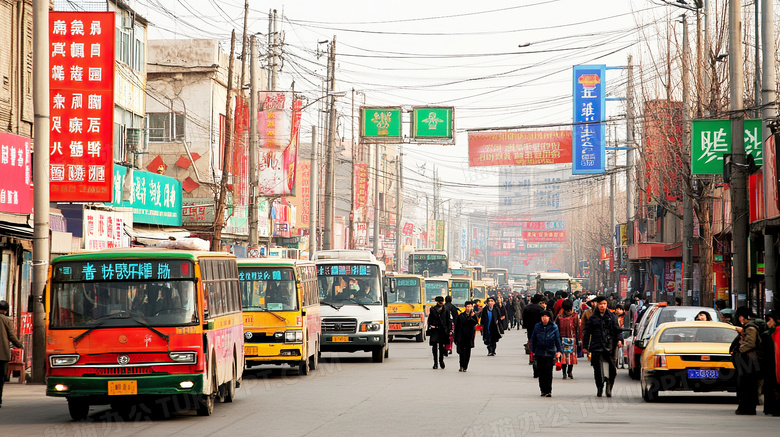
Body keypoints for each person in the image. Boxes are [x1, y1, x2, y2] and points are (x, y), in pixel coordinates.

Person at [582, 296, 624, 397]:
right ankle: (599, 386)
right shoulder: (593, 318)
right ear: (597, 304)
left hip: (610, 345)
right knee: (598, 369)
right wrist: (585, 346)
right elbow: (587, 332)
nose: (602, 306)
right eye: (600, 304)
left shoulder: (612, 317)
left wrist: (619, 340)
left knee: (612, 369)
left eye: (604, 304)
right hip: (597, 345)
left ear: (607, 305)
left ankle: (609, 386)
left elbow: (617, 330)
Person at [731, 307, 761, 415]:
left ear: (741, 317)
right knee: (746, 385)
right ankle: (746, 407)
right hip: (747, 360)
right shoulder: (747, 327)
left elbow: (750, 343)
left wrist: (739, 351)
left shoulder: (750, 328)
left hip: (748, 360)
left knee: (746, 385)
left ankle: (747, 408)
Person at [530, 310, 562, 397]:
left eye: (546, 316)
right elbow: (533, 339)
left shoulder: (554, 327)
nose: (544, 318)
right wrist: (532, 351)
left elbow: (557, 339)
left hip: (550, 352)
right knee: (541, 373)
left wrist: (559, 351)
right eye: (543, 316)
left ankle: (548, 390)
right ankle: (543, 390)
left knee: (548, 372)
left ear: (549, 317)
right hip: (539, 352)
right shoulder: (537, 326)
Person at [1, 300, 23, 407]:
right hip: (2, 354)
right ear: (5, 311)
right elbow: (11, 336)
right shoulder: (6, 320)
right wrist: (19, 344)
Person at [760, 311, 779, 416]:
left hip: (771, 364)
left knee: (771, 385)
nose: (767, 323)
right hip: (772, 363)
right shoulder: (769, 333)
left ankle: (771, 408)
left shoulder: (769, 334)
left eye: (769, 320)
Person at [555, 299, 580, 379]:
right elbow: (577, 327)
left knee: (563, 356)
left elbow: (556, 328)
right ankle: (570, 372)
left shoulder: (559, 317)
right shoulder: (574, 315)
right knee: (571, 356)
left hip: (562, 338)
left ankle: (564, 373)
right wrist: (579, 338)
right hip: (572, 338)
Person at [427, 296, 451, 369]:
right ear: (437, 302)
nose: (441, 303)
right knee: (434, 347)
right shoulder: (433, 309)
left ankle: (441, 361)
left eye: (442, 302)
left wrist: (449, 330)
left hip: (443, 330)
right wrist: (431, 326)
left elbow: (448, 320)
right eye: (440, 302)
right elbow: (430, 319)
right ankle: (435, 363)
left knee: (441, 347)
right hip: (435, 330)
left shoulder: (446, 309)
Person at [523, 294, 546, 372]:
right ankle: (538, 357)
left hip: (530, 328)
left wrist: (525, 325)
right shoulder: (541, 308)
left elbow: (524, 319)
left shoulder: (526, 308)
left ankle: (531, 358)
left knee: (531, 342)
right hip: (539, 328)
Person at [454, 301, 479, 372]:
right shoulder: (461, 316)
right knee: (461, 352)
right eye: (467, 307)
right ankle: (461, 365)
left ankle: (465, 366)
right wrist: (455, 337)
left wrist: (471, 316)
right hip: (461, 336)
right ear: (465, 307)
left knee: (468, 352)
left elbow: (475, 323)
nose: (469, 308)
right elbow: (457, 327)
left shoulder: (474, 315)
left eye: (470, 307)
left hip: (469, 337)